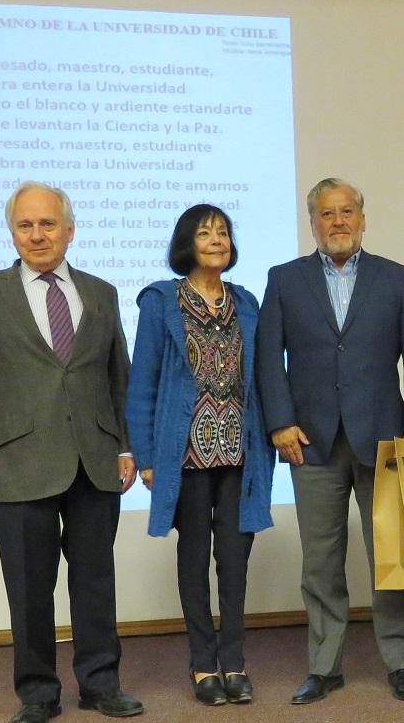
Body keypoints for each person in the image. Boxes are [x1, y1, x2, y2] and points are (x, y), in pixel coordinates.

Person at [0, 182, 144, 723]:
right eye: (26, 225)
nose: (37, 234)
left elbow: (118, 378)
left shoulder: (101, 293)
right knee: (29, 588)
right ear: (12, 232)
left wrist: (127, 445)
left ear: (69, 230)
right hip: (14, 466)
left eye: (48, 224)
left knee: (96, 581)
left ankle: (101, 684)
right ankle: (38, 694)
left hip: (95, 461)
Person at [255, 177, 404, 704]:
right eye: (326, 214)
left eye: (347, 211)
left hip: (383, 438)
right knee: (321, 562)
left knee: (391, 559)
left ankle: (400, 662)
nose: (337, 221)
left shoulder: (394, 278)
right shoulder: (285, 280)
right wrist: (280, 422)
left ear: (362, 218)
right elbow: (269, 357)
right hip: (309, 442)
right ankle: (325, 665)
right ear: (312, 223)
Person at [126, 205, 274, 706]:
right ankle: (202, 665)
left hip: (240, 455)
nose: (216, 240)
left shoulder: (247, 303)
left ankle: (234, 661)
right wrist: (145, 455)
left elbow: (263, 377)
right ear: (186, 242)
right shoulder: (160, 301)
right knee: (193, 559)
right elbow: (141, 381)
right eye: (205, 232)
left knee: (234, 561)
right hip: (183, 455)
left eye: (224, 232)